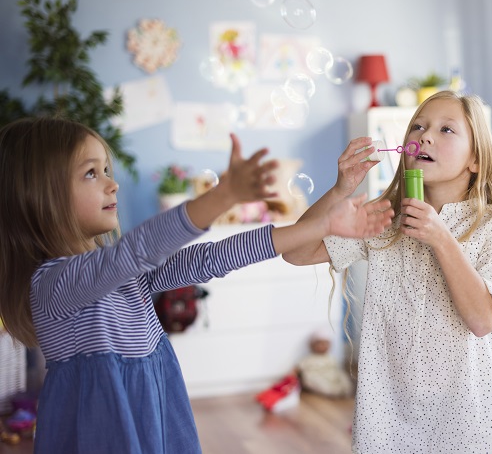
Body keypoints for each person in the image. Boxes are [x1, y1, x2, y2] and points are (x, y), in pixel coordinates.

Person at [0, 116, 393, 454]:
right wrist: (224, 195)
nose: (111, 184)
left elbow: (212, 258)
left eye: (107, 170)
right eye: (91, 173)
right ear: (40, 197)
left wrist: (321, 226)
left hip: (152, 422)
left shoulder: (123, 279)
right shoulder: (54, 284)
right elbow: (136, 251)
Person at [283, 91, 492, 453]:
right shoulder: (384, 219)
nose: (424, 136)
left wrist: (441, 239)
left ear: (475, 159)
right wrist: (341, 190)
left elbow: (482, 320)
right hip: (389, 423)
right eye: (418, 126)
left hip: (472, 424)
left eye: (446, 130)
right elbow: (295, 250)